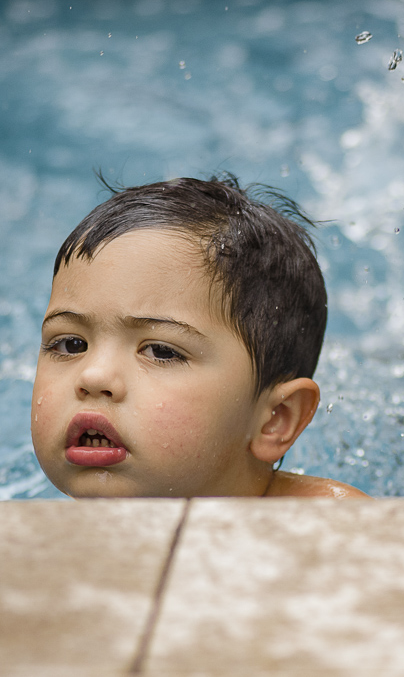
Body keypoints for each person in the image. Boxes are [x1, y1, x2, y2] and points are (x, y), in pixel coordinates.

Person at [30, 175, 368, 499]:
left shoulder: (333, 527)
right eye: (70, 344)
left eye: (161, 351)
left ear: (275, 418)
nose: (93, 376)